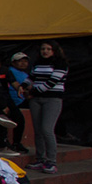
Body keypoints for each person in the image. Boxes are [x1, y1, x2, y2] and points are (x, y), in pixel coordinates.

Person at [26, 41, 68, 175]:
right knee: (38, 130)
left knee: (47, 129)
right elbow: (31, 77)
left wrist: (33, 91)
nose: (45, 51)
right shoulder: (38, 63)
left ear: (54, 50)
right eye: (43, 49)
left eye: (48, 49)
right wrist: (23, 85)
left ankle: (51, 161)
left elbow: (51, 82)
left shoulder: (61, 64)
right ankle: (40, 159)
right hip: (36, 100)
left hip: (52, 99)